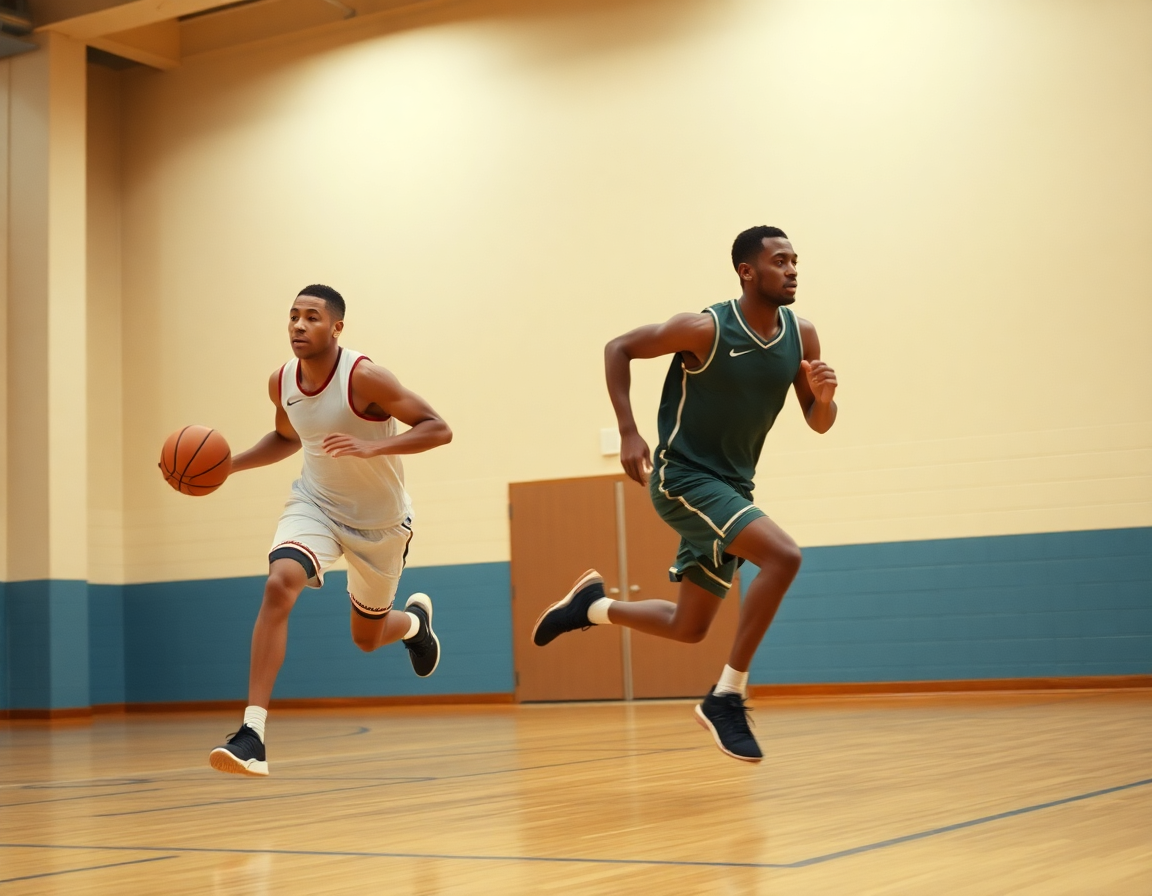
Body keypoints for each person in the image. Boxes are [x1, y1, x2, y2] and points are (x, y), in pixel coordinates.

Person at [532, 226, 837, 762]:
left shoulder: (802, 336)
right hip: (684, 478)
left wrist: (826, 399)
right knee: (784, 556)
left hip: (733, 486)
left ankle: (592, 607)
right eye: (780, 261)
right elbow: (619, 348)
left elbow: (818, 423)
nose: (792, 270)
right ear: (747, 271)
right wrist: (627, 429)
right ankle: (727, 697)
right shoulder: (705, 329)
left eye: (795, 261)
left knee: (688, 626)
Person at [209, 284, 452, 776]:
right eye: (294, 316)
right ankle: (251, 733)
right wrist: (228, 466)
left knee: (366, 637)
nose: (299, 325)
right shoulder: (282, 382)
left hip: (380, 524)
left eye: (312, 317)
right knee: (279, 585)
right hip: (314, 505)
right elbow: (285, 437)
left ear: (336, 327)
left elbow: (437, 427)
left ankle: (414, 625)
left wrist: (373, 448)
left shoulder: (366, 378)